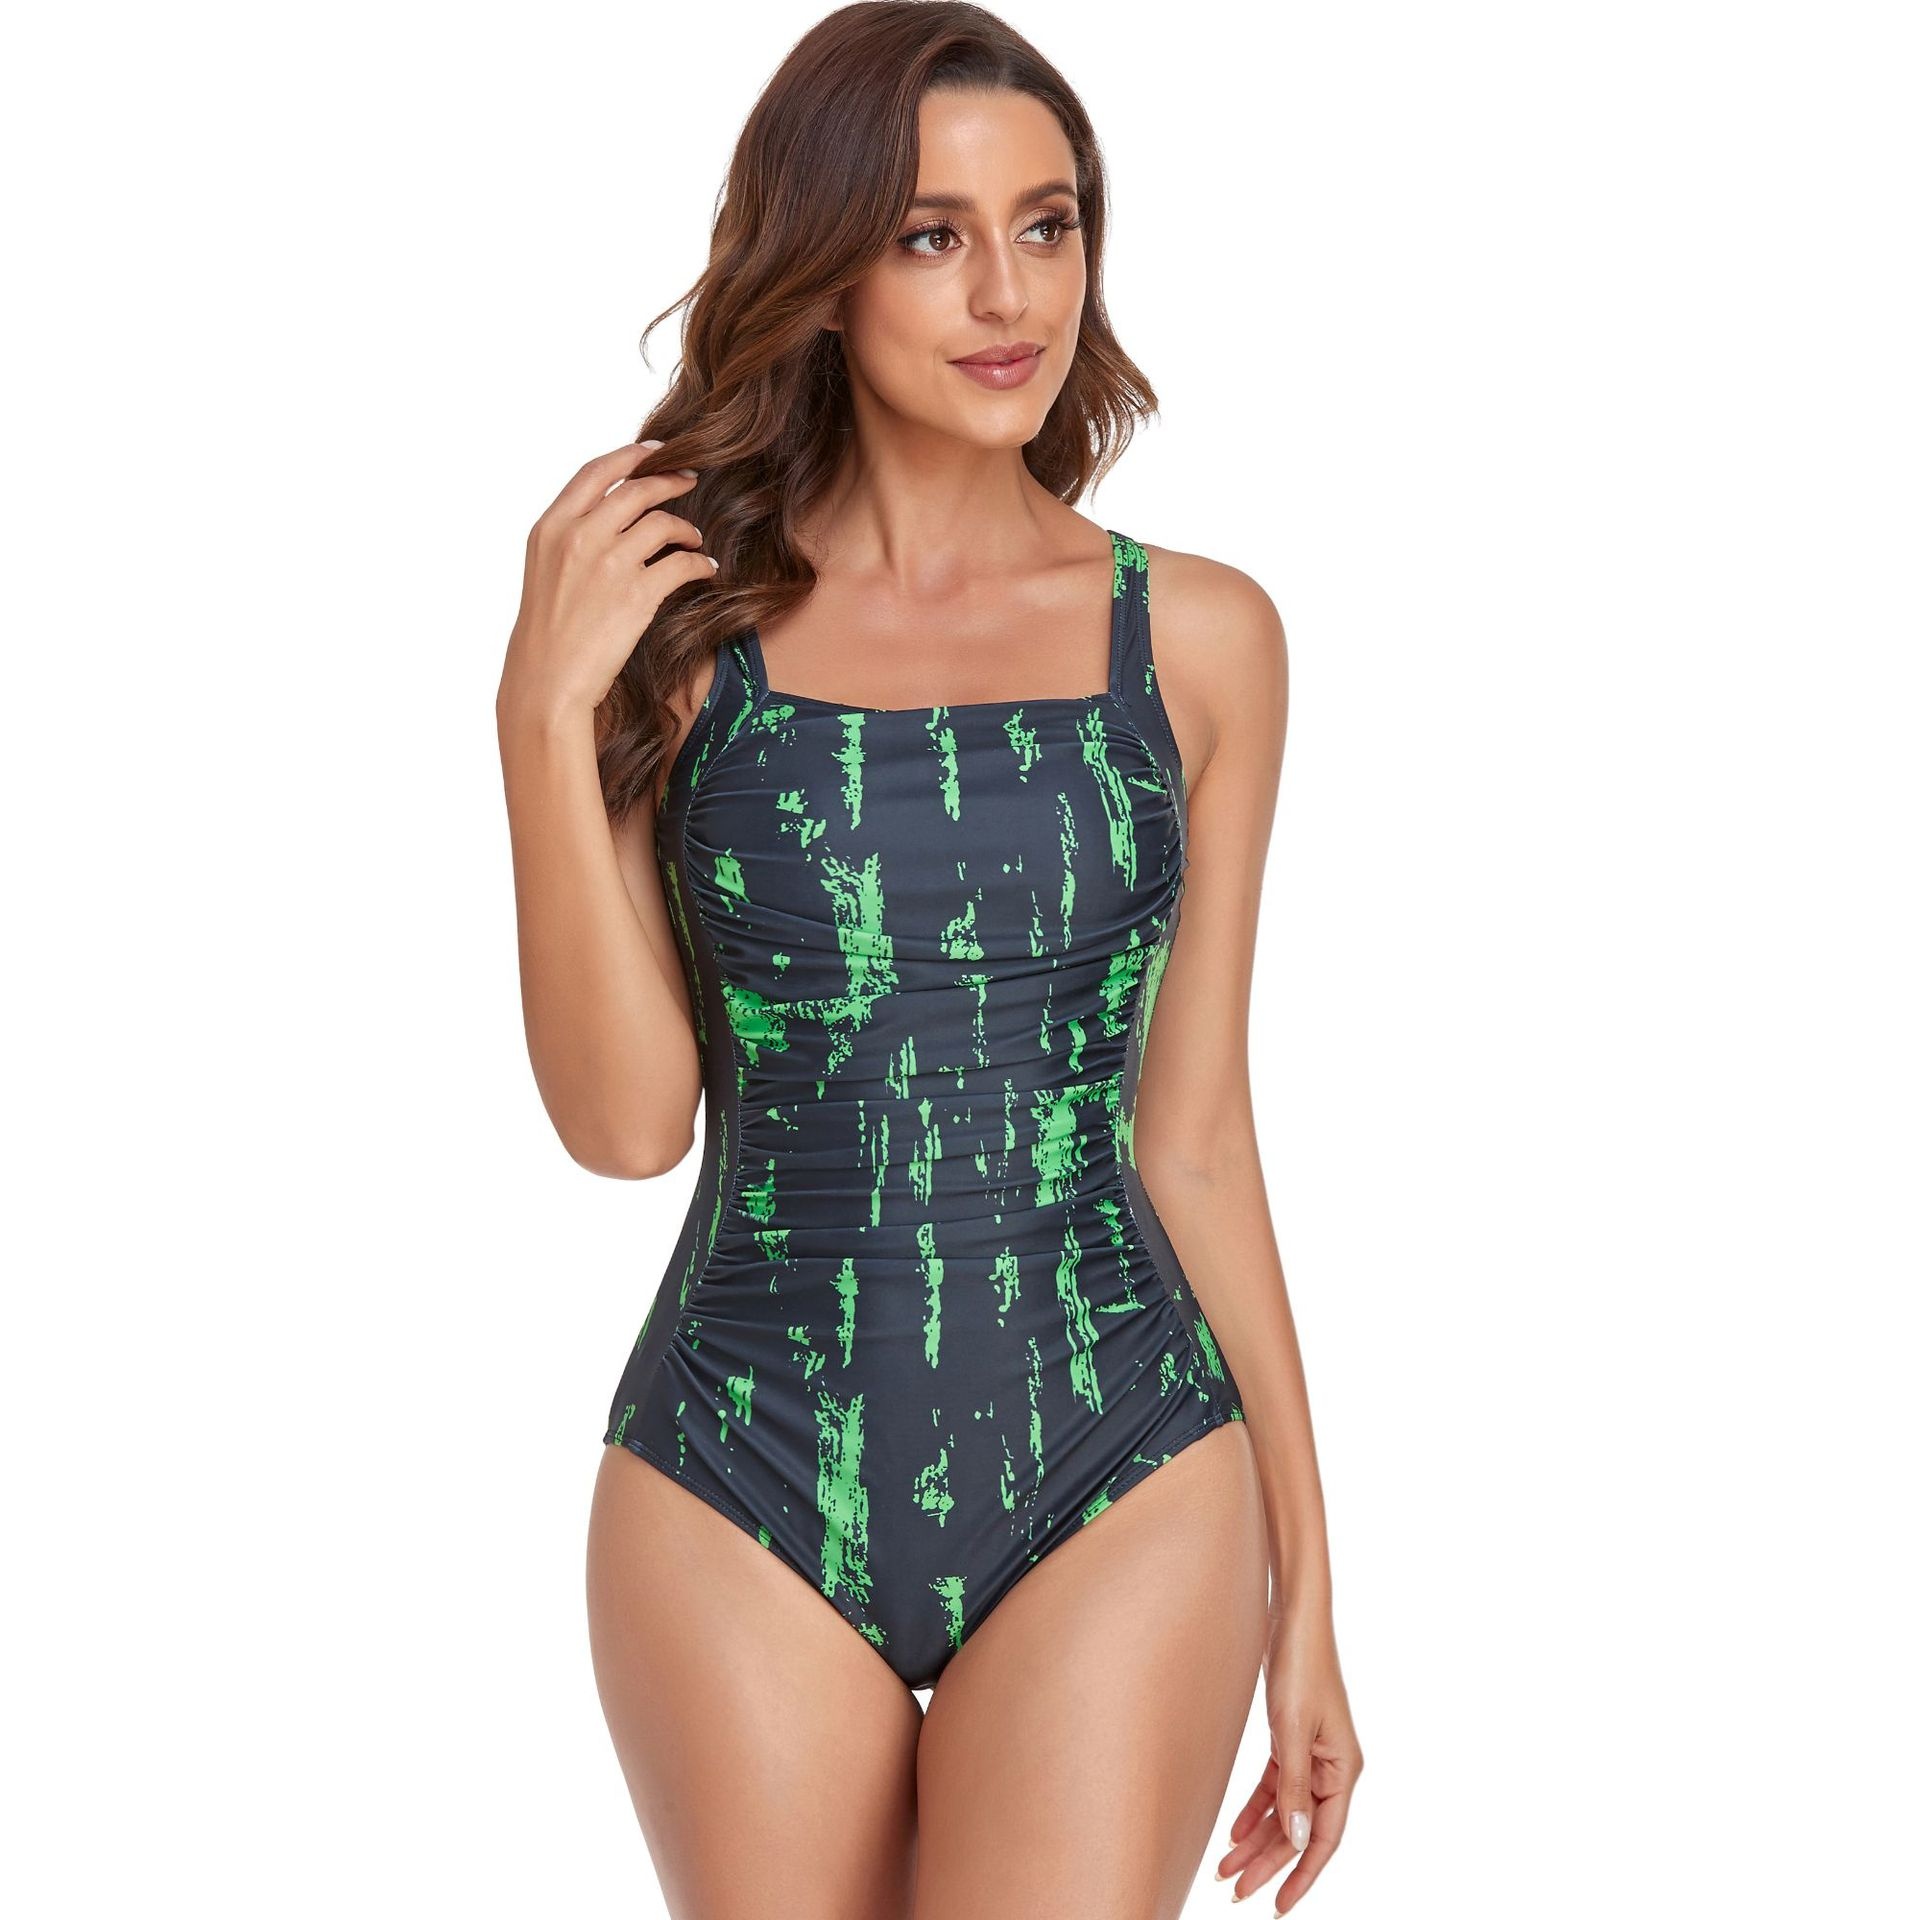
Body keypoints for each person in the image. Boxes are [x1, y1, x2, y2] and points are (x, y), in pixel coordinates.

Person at [495, 6, 1362, 1914]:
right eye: (930, 235)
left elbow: (1196, 1137)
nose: (1008, 293)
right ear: (821, 270)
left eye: (1047, 226)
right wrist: (537, 722)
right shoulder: (681, 645)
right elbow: (627, 1129)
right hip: (737, 1469)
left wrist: (1311, 1588)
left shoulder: (1200, 642)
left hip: (1121, 1454)